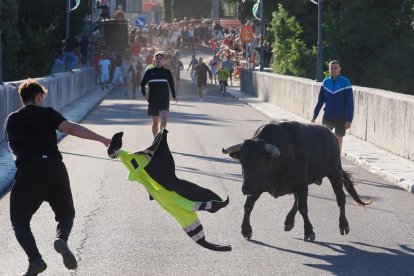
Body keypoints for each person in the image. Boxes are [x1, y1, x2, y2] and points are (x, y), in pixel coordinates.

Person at [4, 79, 111, 275]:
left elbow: (13, 148)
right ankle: (61, 239)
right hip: (54, 168)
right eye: (42, 98)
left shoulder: (12, 119)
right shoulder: (48, 113)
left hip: (28, 170)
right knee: (66, 213)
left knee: (20, 221)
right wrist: (102, 139)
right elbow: (71, 128)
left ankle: (35, 260)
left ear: (22, 99)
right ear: (38, 97)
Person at [311, 60, 354, 151]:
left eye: (335, 68)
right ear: (329, 69)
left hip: (340, 117)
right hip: (328, 116)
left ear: (339, 69)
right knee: (324, 140)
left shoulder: (346, 83)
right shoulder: (325, 82)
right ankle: (325, 161)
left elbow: (350, 103)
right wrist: (314, 116)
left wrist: (349, 119)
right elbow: (320, 101)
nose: (333, 69)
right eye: (331, 68)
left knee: (338, 140)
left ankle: (337, 161)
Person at [140, 52, 177, 137]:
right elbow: (142, 84)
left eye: (160, 58)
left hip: (164, 99)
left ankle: (161, 136)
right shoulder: (149, 72)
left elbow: (171, 84)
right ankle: (155, 140)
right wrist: (144, 94)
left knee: (164, 119)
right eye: (157, 58)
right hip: (153, 99)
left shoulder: (167, 72)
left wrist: (174, 95)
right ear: (154, 60)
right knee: (155, 122)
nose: (158, 60)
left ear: (163, 61)